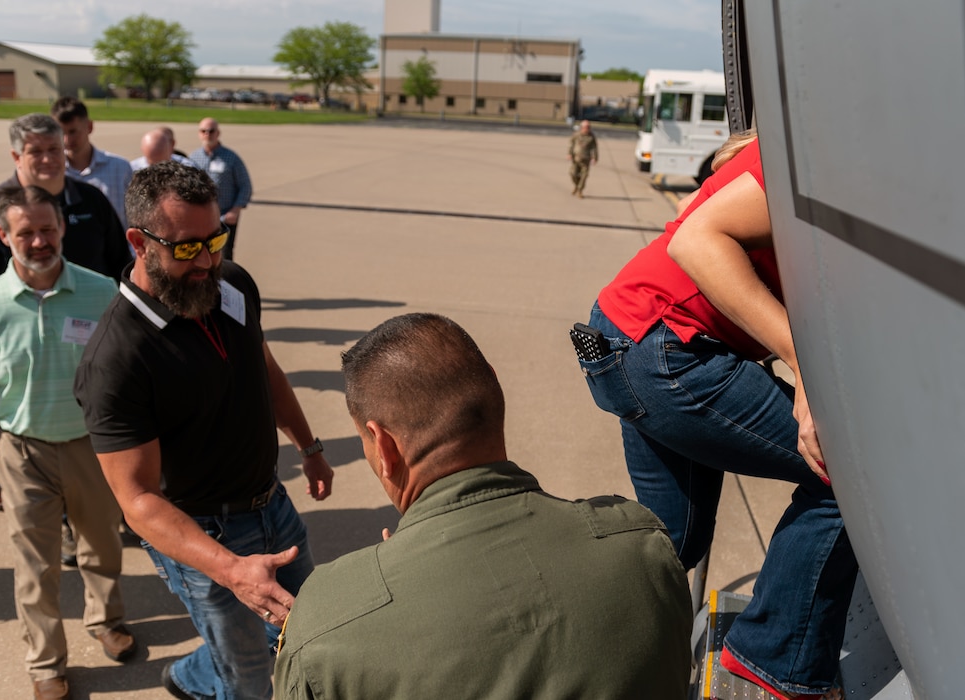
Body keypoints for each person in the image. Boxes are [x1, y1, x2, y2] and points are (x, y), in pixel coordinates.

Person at [274, 313, 694, 700]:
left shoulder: (326, 624)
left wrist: (362, 585)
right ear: (494, 388)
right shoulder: (642, 546)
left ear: (383, 445)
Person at [576, 130, 854, 700]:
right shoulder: (819, 152)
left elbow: (689, 213)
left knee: (674, 542)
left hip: (622, 337)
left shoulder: (786, 147)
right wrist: (806, 372)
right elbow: (696, 242)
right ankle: (773, 661)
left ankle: (585, 645)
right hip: (666, 350)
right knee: (850, 475)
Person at [73, 162, 333, 700]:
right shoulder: (116, 360)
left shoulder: (230, 284)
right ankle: (209, 672)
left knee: (305, 636)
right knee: (250, 680)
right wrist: (233, 571)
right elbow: (138, 499)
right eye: (188, 248)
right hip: (205, 536)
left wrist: (309, 447)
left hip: (273, 507)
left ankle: (193, 673)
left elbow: (266, 369)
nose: (209, 261)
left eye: (216, 239)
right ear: (138, 242)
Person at [0, 185, 134, 700]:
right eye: (25, 232)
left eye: (47, 229)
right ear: (4, 235)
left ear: (63, 229)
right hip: (21, 451)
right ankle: (46, 662)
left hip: (90, 447)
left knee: (102, 544)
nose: (38, 241)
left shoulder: (103, 293)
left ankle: (106, 621)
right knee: (36, 563)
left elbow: (127, 374)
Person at [0, 113, 131, 294]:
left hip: (92, 315)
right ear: (16, 157)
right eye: (36, 152)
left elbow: (121, 265)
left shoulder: (91, 199)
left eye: (54, 149)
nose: (47, 159)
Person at [50, 97, 133, 227]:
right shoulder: (51, 172)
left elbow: (134, 217)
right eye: (61, 133)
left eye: (73, 131)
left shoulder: (120, 168)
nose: (66, 140)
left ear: (89, 127)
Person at [190, 118, 251, 260]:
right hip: (201, 217)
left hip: (224, 217)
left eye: (211, 131)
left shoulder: (231, 158)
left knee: (224, 255)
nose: (207, 134)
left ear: (218, 133)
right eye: (203, 131)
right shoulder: (193, 158)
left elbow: (245, 185)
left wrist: (235, 211)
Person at [130, 127, 196, 171]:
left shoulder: (187, 168)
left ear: (172, 146)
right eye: (151, 162)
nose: (157, 166)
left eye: (162, 163)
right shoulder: (132, 169)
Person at [567, 119, 598, 198]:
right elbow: (571, 144)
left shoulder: (591, 137)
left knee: (584, 176)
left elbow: (594, 148)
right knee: (573, 173)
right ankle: (576, 186)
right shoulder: (576, 135)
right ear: (582, 127)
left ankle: (580, 191)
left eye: (588, 127)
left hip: (586, 159)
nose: (587, 129)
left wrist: (594, 158)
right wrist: (569, 153)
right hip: (576, 159)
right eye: (585, 127)